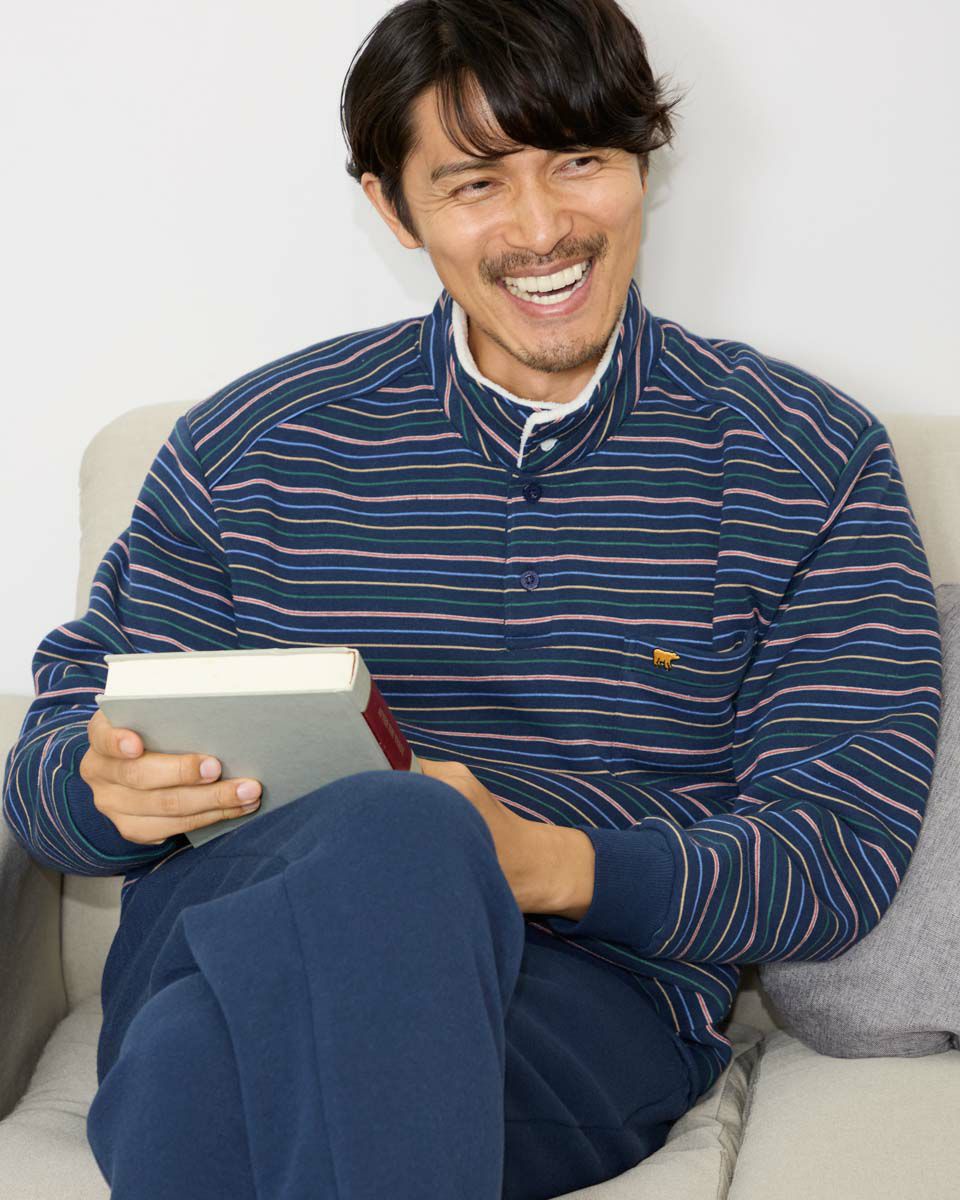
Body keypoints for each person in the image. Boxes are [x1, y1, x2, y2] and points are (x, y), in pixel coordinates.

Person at [2, 1, 943, 1197]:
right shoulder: (247, 451)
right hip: (232, 924)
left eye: (580, 162)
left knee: (200, 1066)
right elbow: (50, 772)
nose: (543, 229)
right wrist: (105, 789)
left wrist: (545, 864)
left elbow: (836, 857)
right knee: (393, 835)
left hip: (586, 998)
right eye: (476, 183)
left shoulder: (806, 461)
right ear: (393, 207)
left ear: (641, 166)